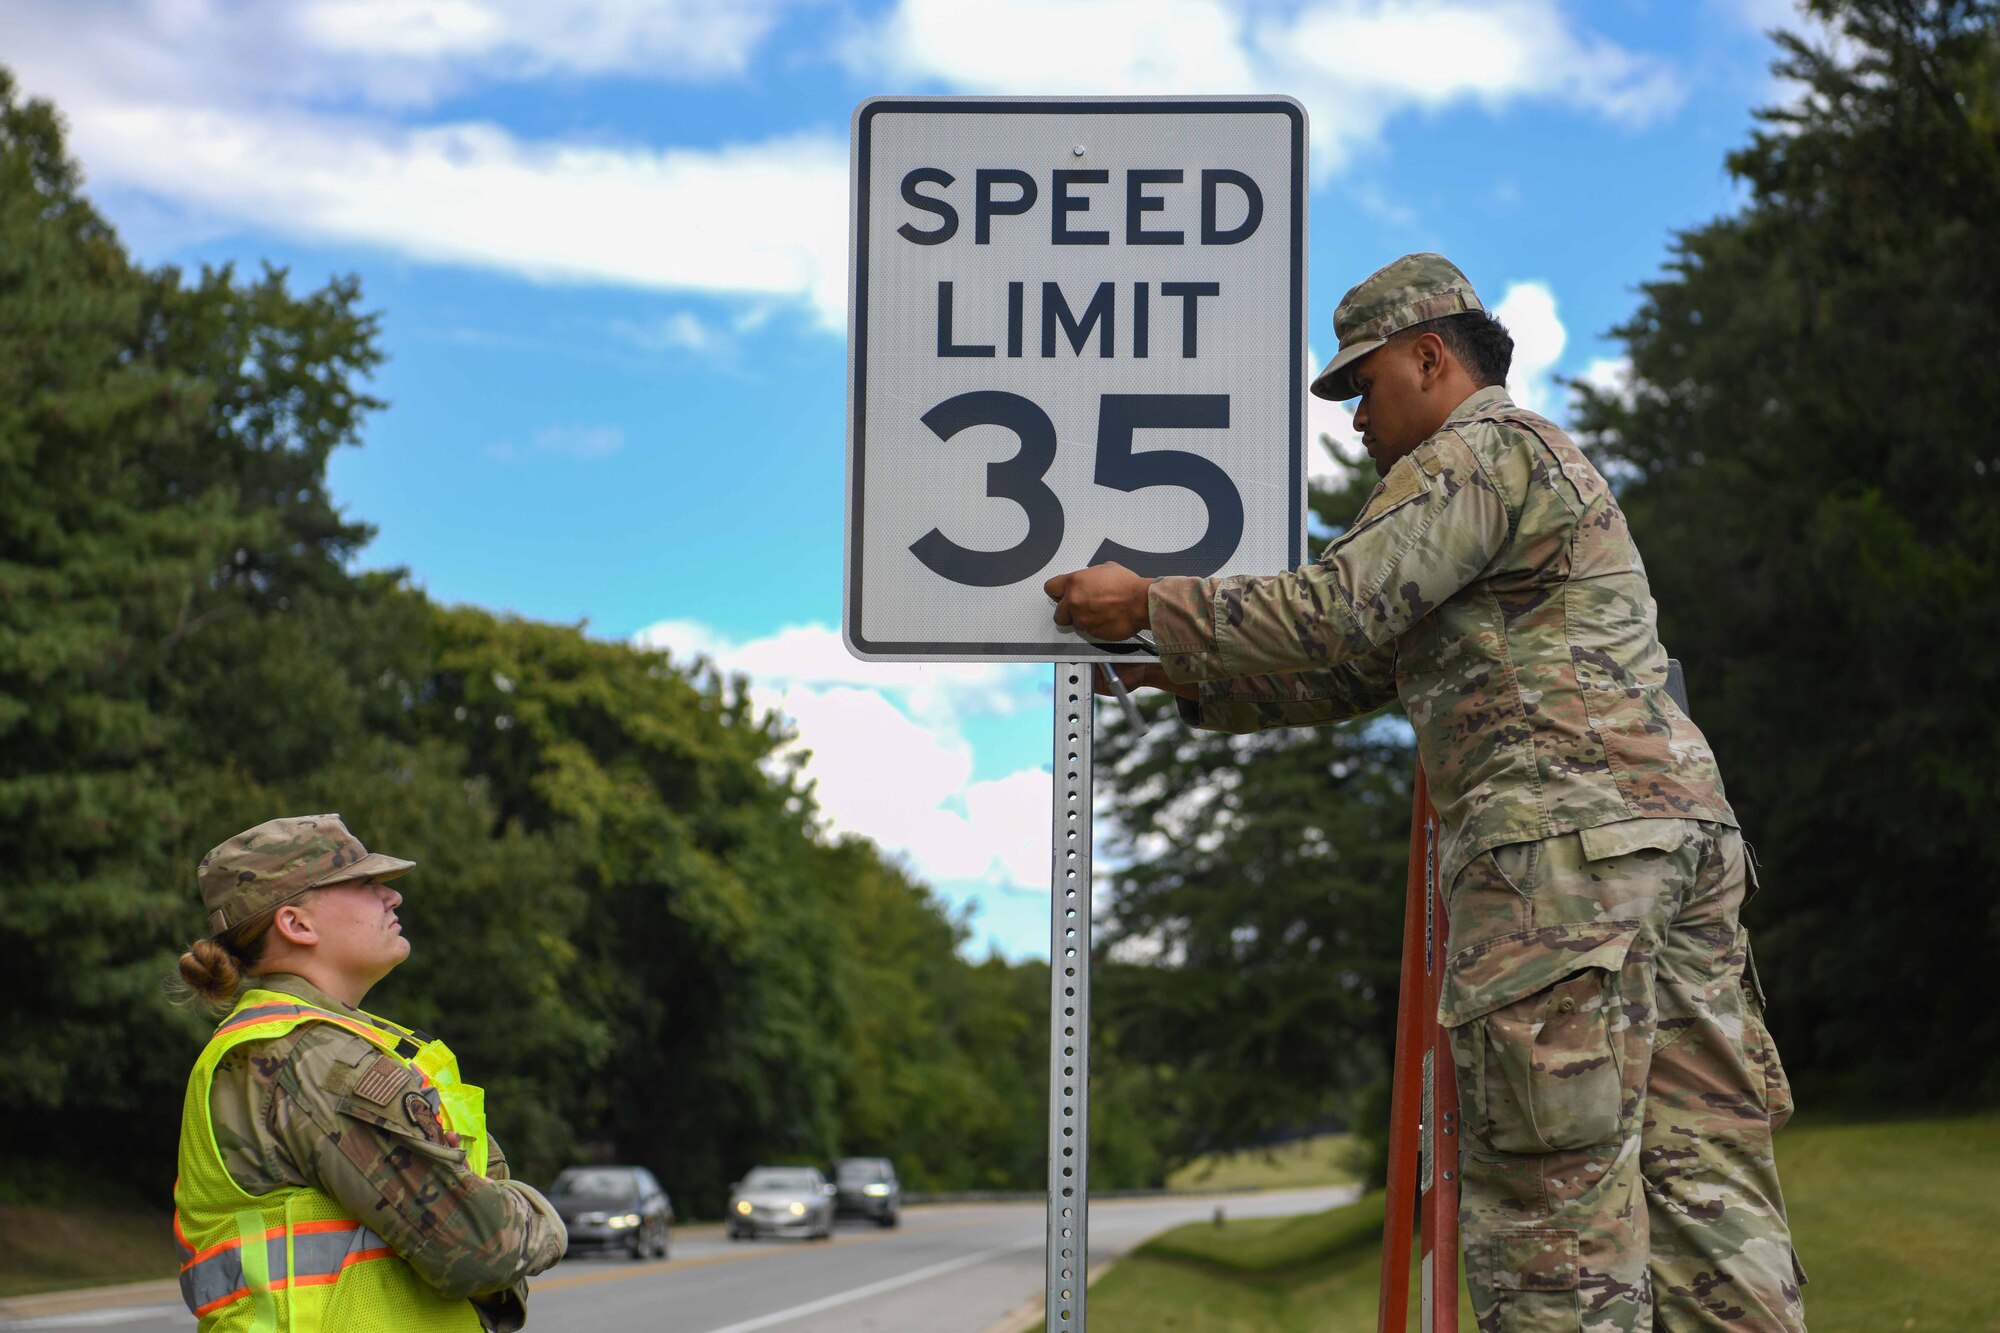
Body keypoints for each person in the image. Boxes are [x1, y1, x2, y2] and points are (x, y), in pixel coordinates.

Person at [1045, 254, 1805, 1331]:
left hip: (1559, 859)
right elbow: (1368, 664)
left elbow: (1341, 608)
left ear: (1427, 355)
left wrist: (1153, 606)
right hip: (1669, 843)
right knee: (1706, 1197)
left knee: (1554, 1217)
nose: (1353, 418)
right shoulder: (1531, 464)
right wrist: (1190, 674)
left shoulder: (1473, 453)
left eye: (1361, 386)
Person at [173, 813, 568, 1332]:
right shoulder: (312, 1057)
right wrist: (543, 1218)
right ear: (296, 924)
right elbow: (478, 1246)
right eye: (364, 884)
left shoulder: (313, 1042)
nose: (392, 897)